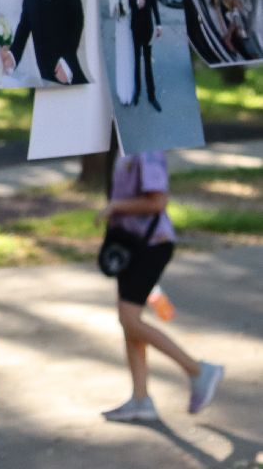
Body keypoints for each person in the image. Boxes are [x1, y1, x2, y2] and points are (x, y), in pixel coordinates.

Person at [97, 150, 224, 422]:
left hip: (151, 244)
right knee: (129, 322)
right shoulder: (126, 145)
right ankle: (140, 399)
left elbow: (158, 202)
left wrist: (115, 206)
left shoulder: (147, 149)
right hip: (129, 244)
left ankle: (198, 371)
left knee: (129, 320)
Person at [129, 0, 163, 110]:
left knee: (148, 62)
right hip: (135, 26)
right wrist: (135, 1)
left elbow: (154, 1)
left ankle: (152, 96)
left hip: (148, 27)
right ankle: (137, 92)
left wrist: (159, 24)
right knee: (136, 61)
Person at [108, 0, 136, 106]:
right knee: (121, 57)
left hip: (129, 23)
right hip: (120, 22)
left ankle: (129, 92)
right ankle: (121, 92)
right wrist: (117, 6)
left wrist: (129, 8)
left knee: (129, 56)